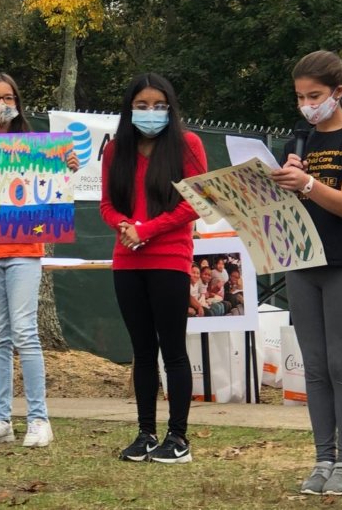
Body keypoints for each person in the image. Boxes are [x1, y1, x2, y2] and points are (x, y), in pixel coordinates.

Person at [271, 50, 342, 496]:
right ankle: (323, 459)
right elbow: (283, 211)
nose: (306, 105)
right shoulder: (298, 144)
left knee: (340, 364)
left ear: (337, 92)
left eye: (314, 95)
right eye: (299, 97)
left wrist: (310, 186)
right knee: (313, 367)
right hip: (300, 263)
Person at [0, 72, 79, 448]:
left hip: (25, 250)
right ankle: (1, 419)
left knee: (26, 332)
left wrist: (67, 165)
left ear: (17, 103)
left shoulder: (37, 147)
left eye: (7, 97)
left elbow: (56, 187)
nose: (0, 104)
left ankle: (38, 418)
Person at [100, 72, 207, 463]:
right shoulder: (115, 151)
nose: (150, 113)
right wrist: (124, 228)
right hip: (127, 262)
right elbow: (108, 206)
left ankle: (177, 438)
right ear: (129, 109)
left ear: (170, 108)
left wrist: (147, 229)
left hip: (169, 260)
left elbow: (194, 203)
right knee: (142, 352)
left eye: (159, 106)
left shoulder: (188, 145)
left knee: (173, 351)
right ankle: (145, 432)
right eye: (142, 106)